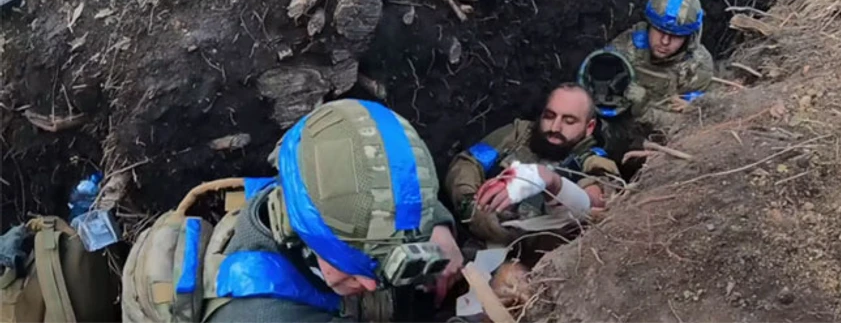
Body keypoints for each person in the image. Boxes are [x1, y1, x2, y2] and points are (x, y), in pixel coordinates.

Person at [122, 99, 463, 323]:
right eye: (351, 264)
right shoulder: (265, 317)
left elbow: (388, 187)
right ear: (305, 231)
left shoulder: (311, 191)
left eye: (378, 261)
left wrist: (436, 227)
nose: (370, 284)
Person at [444, 84, 620, 248]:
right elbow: (469, 162)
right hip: (472, 238)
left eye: (569, 121)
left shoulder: (592, 159)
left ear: (589, 127)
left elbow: (597, 201)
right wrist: (472, 206)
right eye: (549, 116)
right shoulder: (518, 134)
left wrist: (555, 185)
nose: (555, 127)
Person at [604, 0, 714, 124]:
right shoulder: (627, 46)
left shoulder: (697, 65)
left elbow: (689, 123)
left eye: (676, 35)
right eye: (659, 31)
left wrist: (644, 110)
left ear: (688, 36)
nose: (665, 41)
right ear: (649, 25)